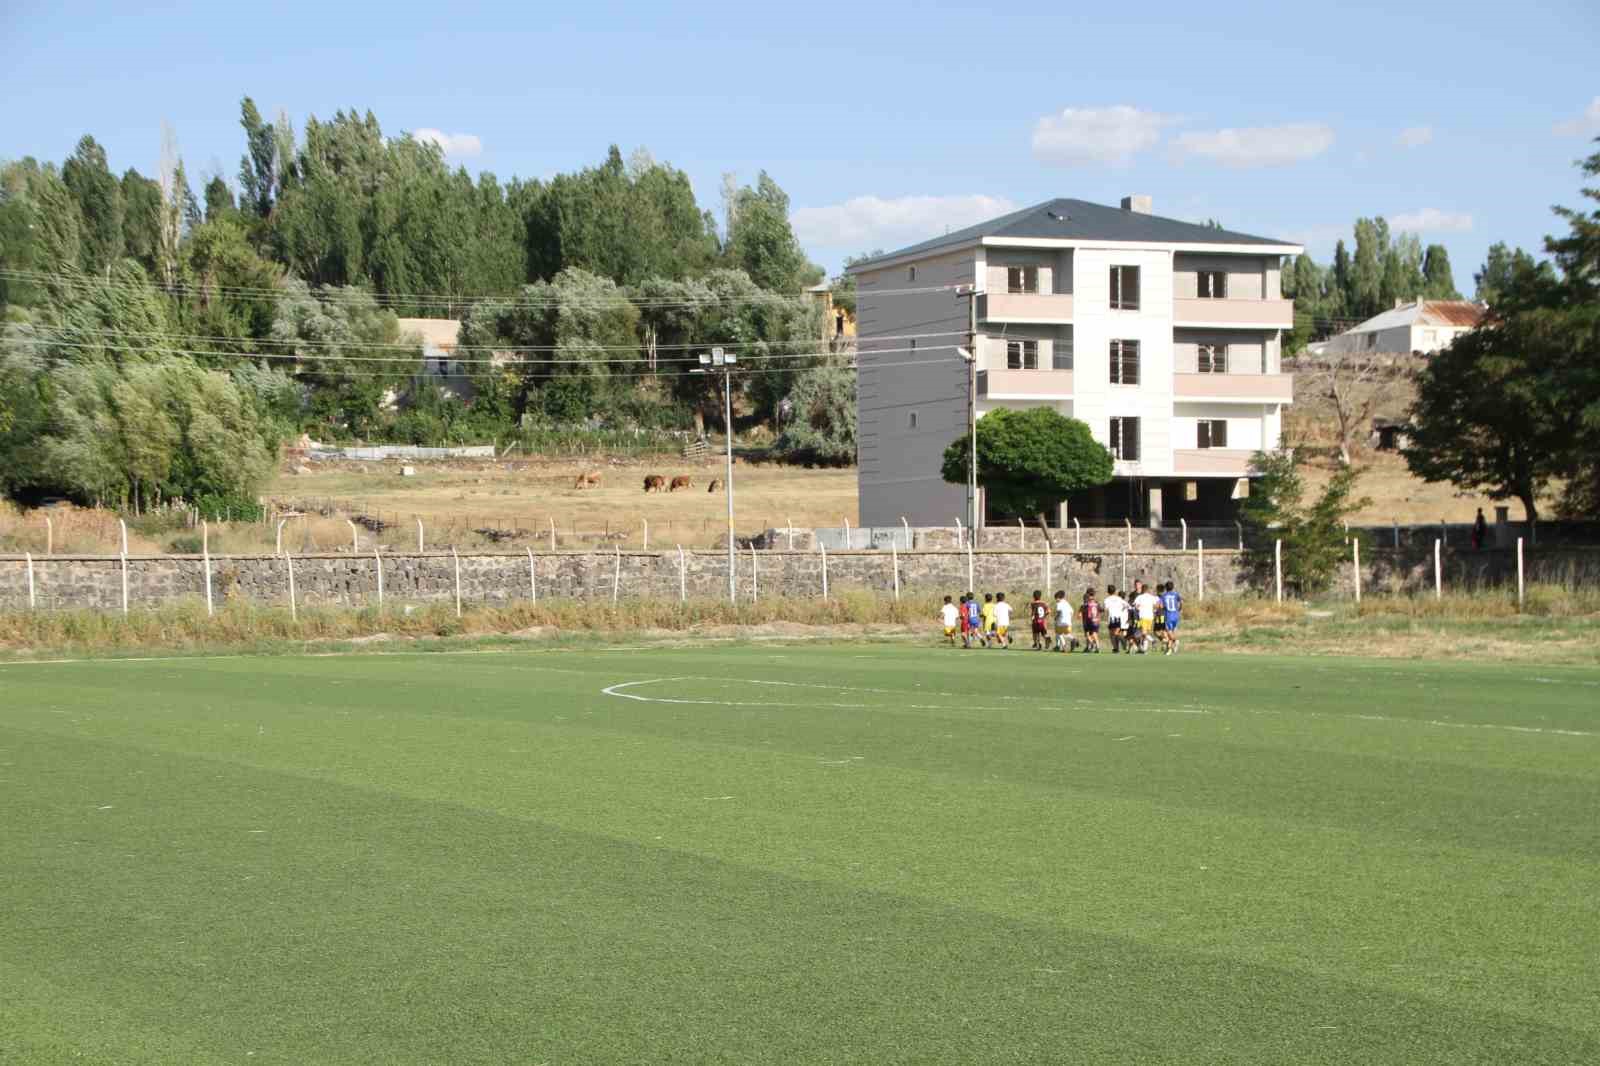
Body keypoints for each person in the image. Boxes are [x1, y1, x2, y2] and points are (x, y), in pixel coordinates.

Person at [1132, 584, 1162, 654]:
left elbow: (1135, 606)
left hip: (1143, 616)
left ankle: (1152, 641)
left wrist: (1138, 608)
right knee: (1142, 634)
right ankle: (1144, 650)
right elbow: (1158, 604)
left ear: (1142, 589)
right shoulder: (1152, 597)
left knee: (1143, 633)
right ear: (1148, 590)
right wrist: (1154, 609)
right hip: (1150, 617)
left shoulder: (1139, 597)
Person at [1102, 584, 1129, 654]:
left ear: (1108, 591)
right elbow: (1127, 605)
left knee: (1112, 634)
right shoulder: (1119, 598)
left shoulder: (1106, 600)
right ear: (1115, 591)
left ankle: (1116, 648)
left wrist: (1102, 610)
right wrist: (1121, 609)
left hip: (1111, 618)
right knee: (1117, 633)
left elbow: (1105, 609)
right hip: (1118, 618)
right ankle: (1122, 641)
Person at [1160, 581, 1183, 655]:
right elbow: (1181, 601)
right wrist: (1180, 609)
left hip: (1168, 616)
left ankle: (1176, 641)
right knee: (1173, 631)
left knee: (1168, 632)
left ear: (1166, 588)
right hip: (1176, 615)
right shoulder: (1176, 594)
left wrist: (1161, 608)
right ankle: (1169, 649)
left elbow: (1161, 606)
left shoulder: (1164, 595)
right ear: (1173, 587)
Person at [1080, 588, 1101, 652]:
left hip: (1087, 620)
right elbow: (1101, 610)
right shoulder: (1096, 602)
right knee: (1094, 634)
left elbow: (1082, 611)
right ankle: (1094, 646)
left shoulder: (1086, 603)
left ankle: (1091, 646)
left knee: (1087, 634)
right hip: (1096, 620)